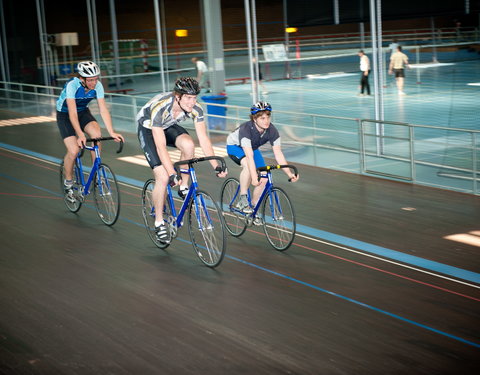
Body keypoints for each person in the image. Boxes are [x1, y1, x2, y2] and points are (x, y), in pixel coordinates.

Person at [136, 77, 227, 243]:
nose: (192, 102)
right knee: (162, 177)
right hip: (149, 129)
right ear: (177, 96)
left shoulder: (196, 109)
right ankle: (158, 222)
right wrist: (171, 173)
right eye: (188, 98)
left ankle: (183, 186)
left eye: (194, 98)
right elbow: (160, 146)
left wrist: (215, 165)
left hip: (168, 125)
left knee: (189, 145)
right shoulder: (161, 107)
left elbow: (204, 139)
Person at [56, 61, 124, 201]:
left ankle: (96, 173)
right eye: (90, 80)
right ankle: (68, 183)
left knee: (97, 136)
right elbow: (72, 113)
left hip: (83, 112)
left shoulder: (98, 86)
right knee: (74, 150)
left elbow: (103, 109)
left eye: (96, 79)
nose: (94, 83)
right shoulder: (72, 85)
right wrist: (80, 134)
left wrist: (111, 131)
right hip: (65, 115)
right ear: (82, 79)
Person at [226, 101, 299, 219]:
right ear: (255, 119)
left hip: (252, 148)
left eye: (268, 117)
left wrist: (289, 173)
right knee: (249, 167)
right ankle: (243, 198)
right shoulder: (246, 129)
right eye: (262, 118)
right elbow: (249, 157)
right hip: (235, 147)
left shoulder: (272, 130)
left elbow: (278, 153)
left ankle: (253, 209)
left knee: (264, 178)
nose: (266, 121)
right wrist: (254, 178)